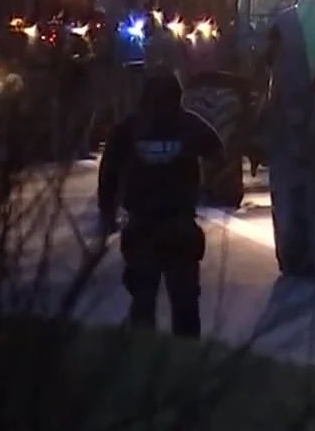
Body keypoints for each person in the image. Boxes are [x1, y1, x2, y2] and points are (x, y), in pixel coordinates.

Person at [97, 70, 226, 338]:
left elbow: (108, 173)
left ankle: (144, 361)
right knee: (186, 306)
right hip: (179, 225)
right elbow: (219, 154)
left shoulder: (128, 128)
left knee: (143, 303)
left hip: (141, 227)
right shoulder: (190, 124)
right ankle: (187, 363)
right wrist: (205, 186)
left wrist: (107, 213)